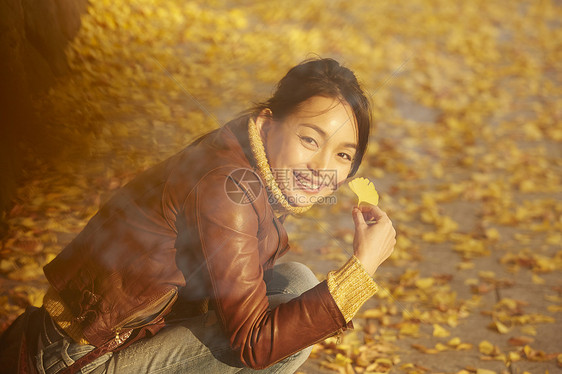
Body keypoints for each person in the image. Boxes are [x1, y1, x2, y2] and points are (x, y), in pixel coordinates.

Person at [0, 58, 396, 374]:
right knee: (287, 337)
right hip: (80, 360)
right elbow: (255, 345)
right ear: (267, 124)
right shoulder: (229, 187)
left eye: (343, 154)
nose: (322, 166)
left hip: (127, 333)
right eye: (309, 139)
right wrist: (360, 271)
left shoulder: (243, 157)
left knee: (296, 283)